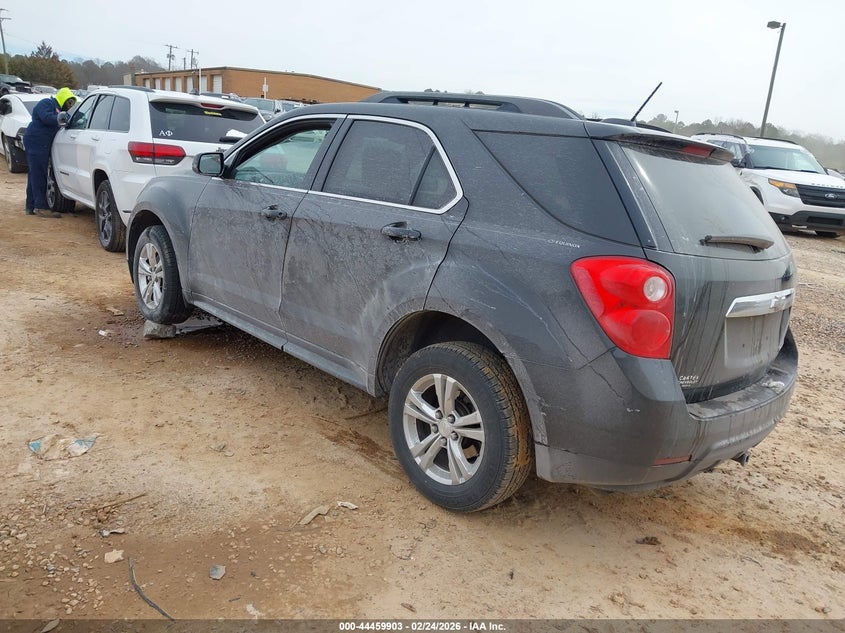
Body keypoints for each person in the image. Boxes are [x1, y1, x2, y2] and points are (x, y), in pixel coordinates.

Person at [24, 87, 76, 218]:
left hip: (42, 143)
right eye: (69, 102)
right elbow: (46, 117)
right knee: (39, 174)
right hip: (36, 141)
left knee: (34, 174)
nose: (69, 105)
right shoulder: (47, 103)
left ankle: (30, 206)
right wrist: (60, 118)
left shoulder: (61, 111)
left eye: (72, 103)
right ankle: (41, 207)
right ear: (63, 98)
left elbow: (65, 119)